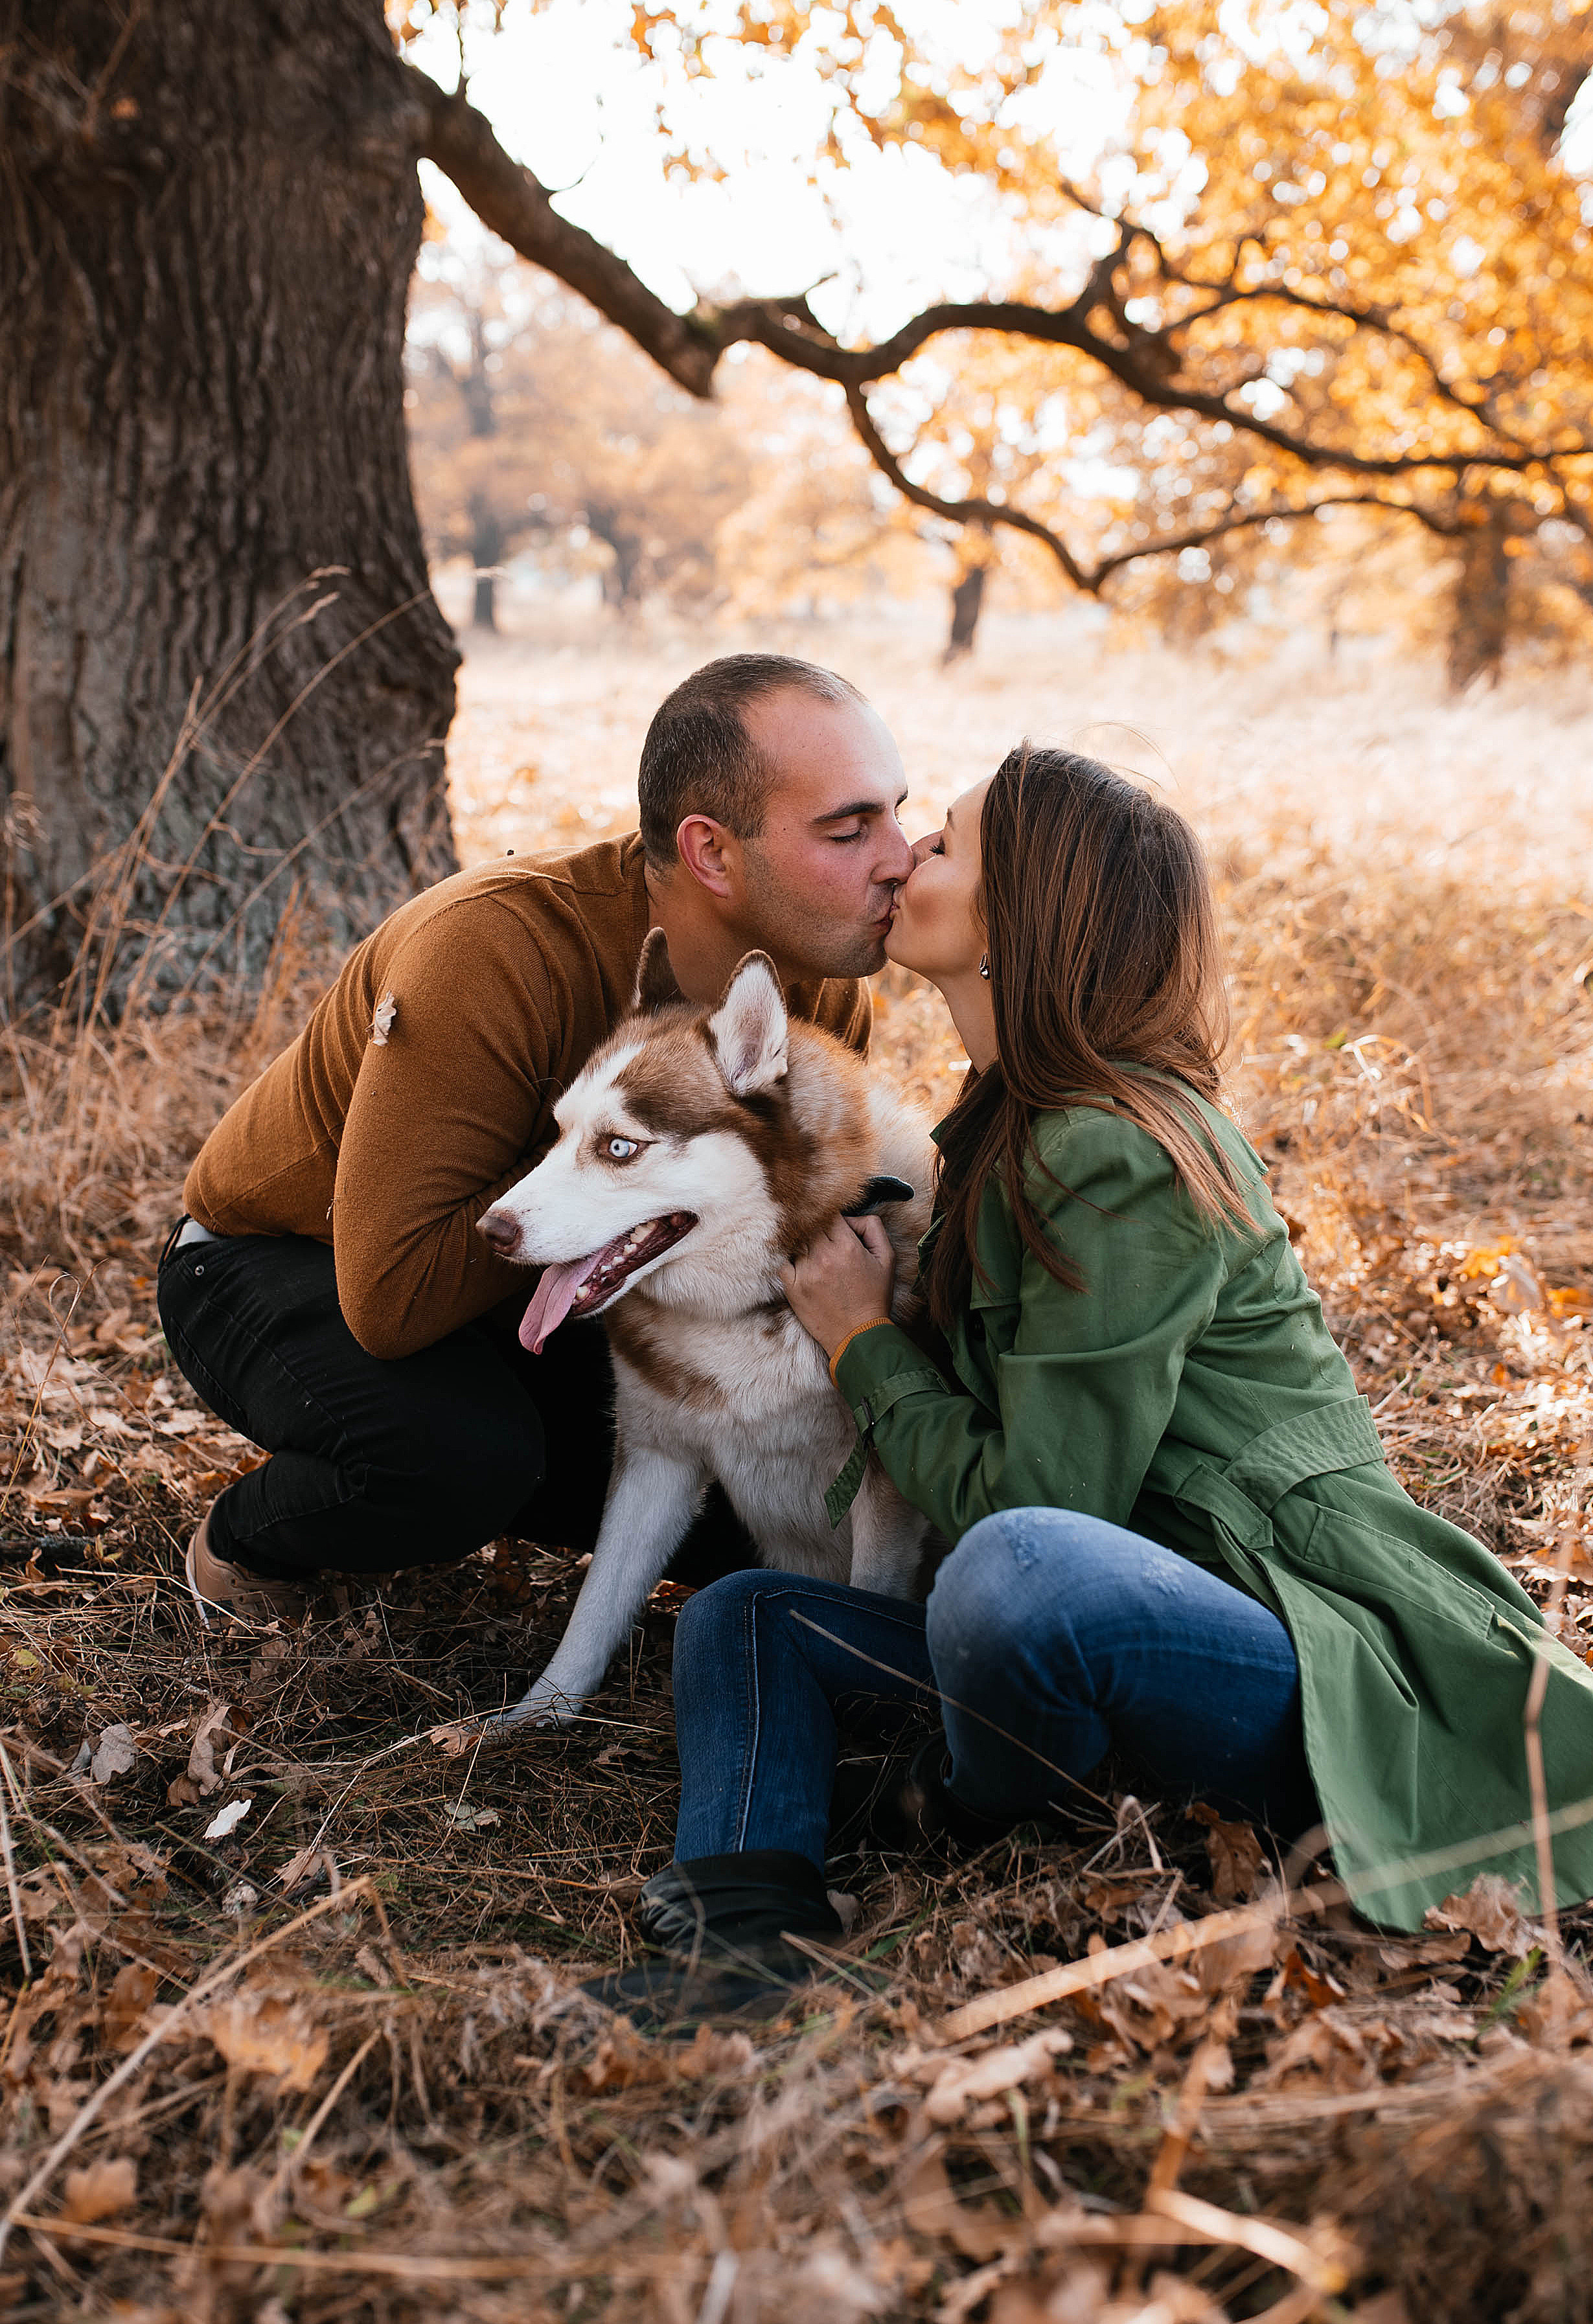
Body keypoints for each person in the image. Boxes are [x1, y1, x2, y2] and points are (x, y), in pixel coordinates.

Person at [616, 742, 1593, 2018]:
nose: (906, 857)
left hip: (1292, 1648)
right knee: (745, 1615)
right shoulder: (1006, 1127)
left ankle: (966, 1799)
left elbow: (1046, 1494)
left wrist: (863, 1342)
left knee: (1021, 1568)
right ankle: (738, 1937)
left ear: (1020, 920)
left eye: (948, 843)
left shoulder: (1113, 1149)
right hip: (1105, 1616)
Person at [160, 654, 913, 1623]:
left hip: (556, 1269)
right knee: (460, 1455)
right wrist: (627, 1149)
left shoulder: (816, 981)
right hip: (283, 1264)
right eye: (851, 828)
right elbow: (389, 1300)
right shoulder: (493, 951)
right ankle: (244, 1542)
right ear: (712, 854)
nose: (900, 852)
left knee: (769, 1496)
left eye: (897, 810)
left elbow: (764, 1224)